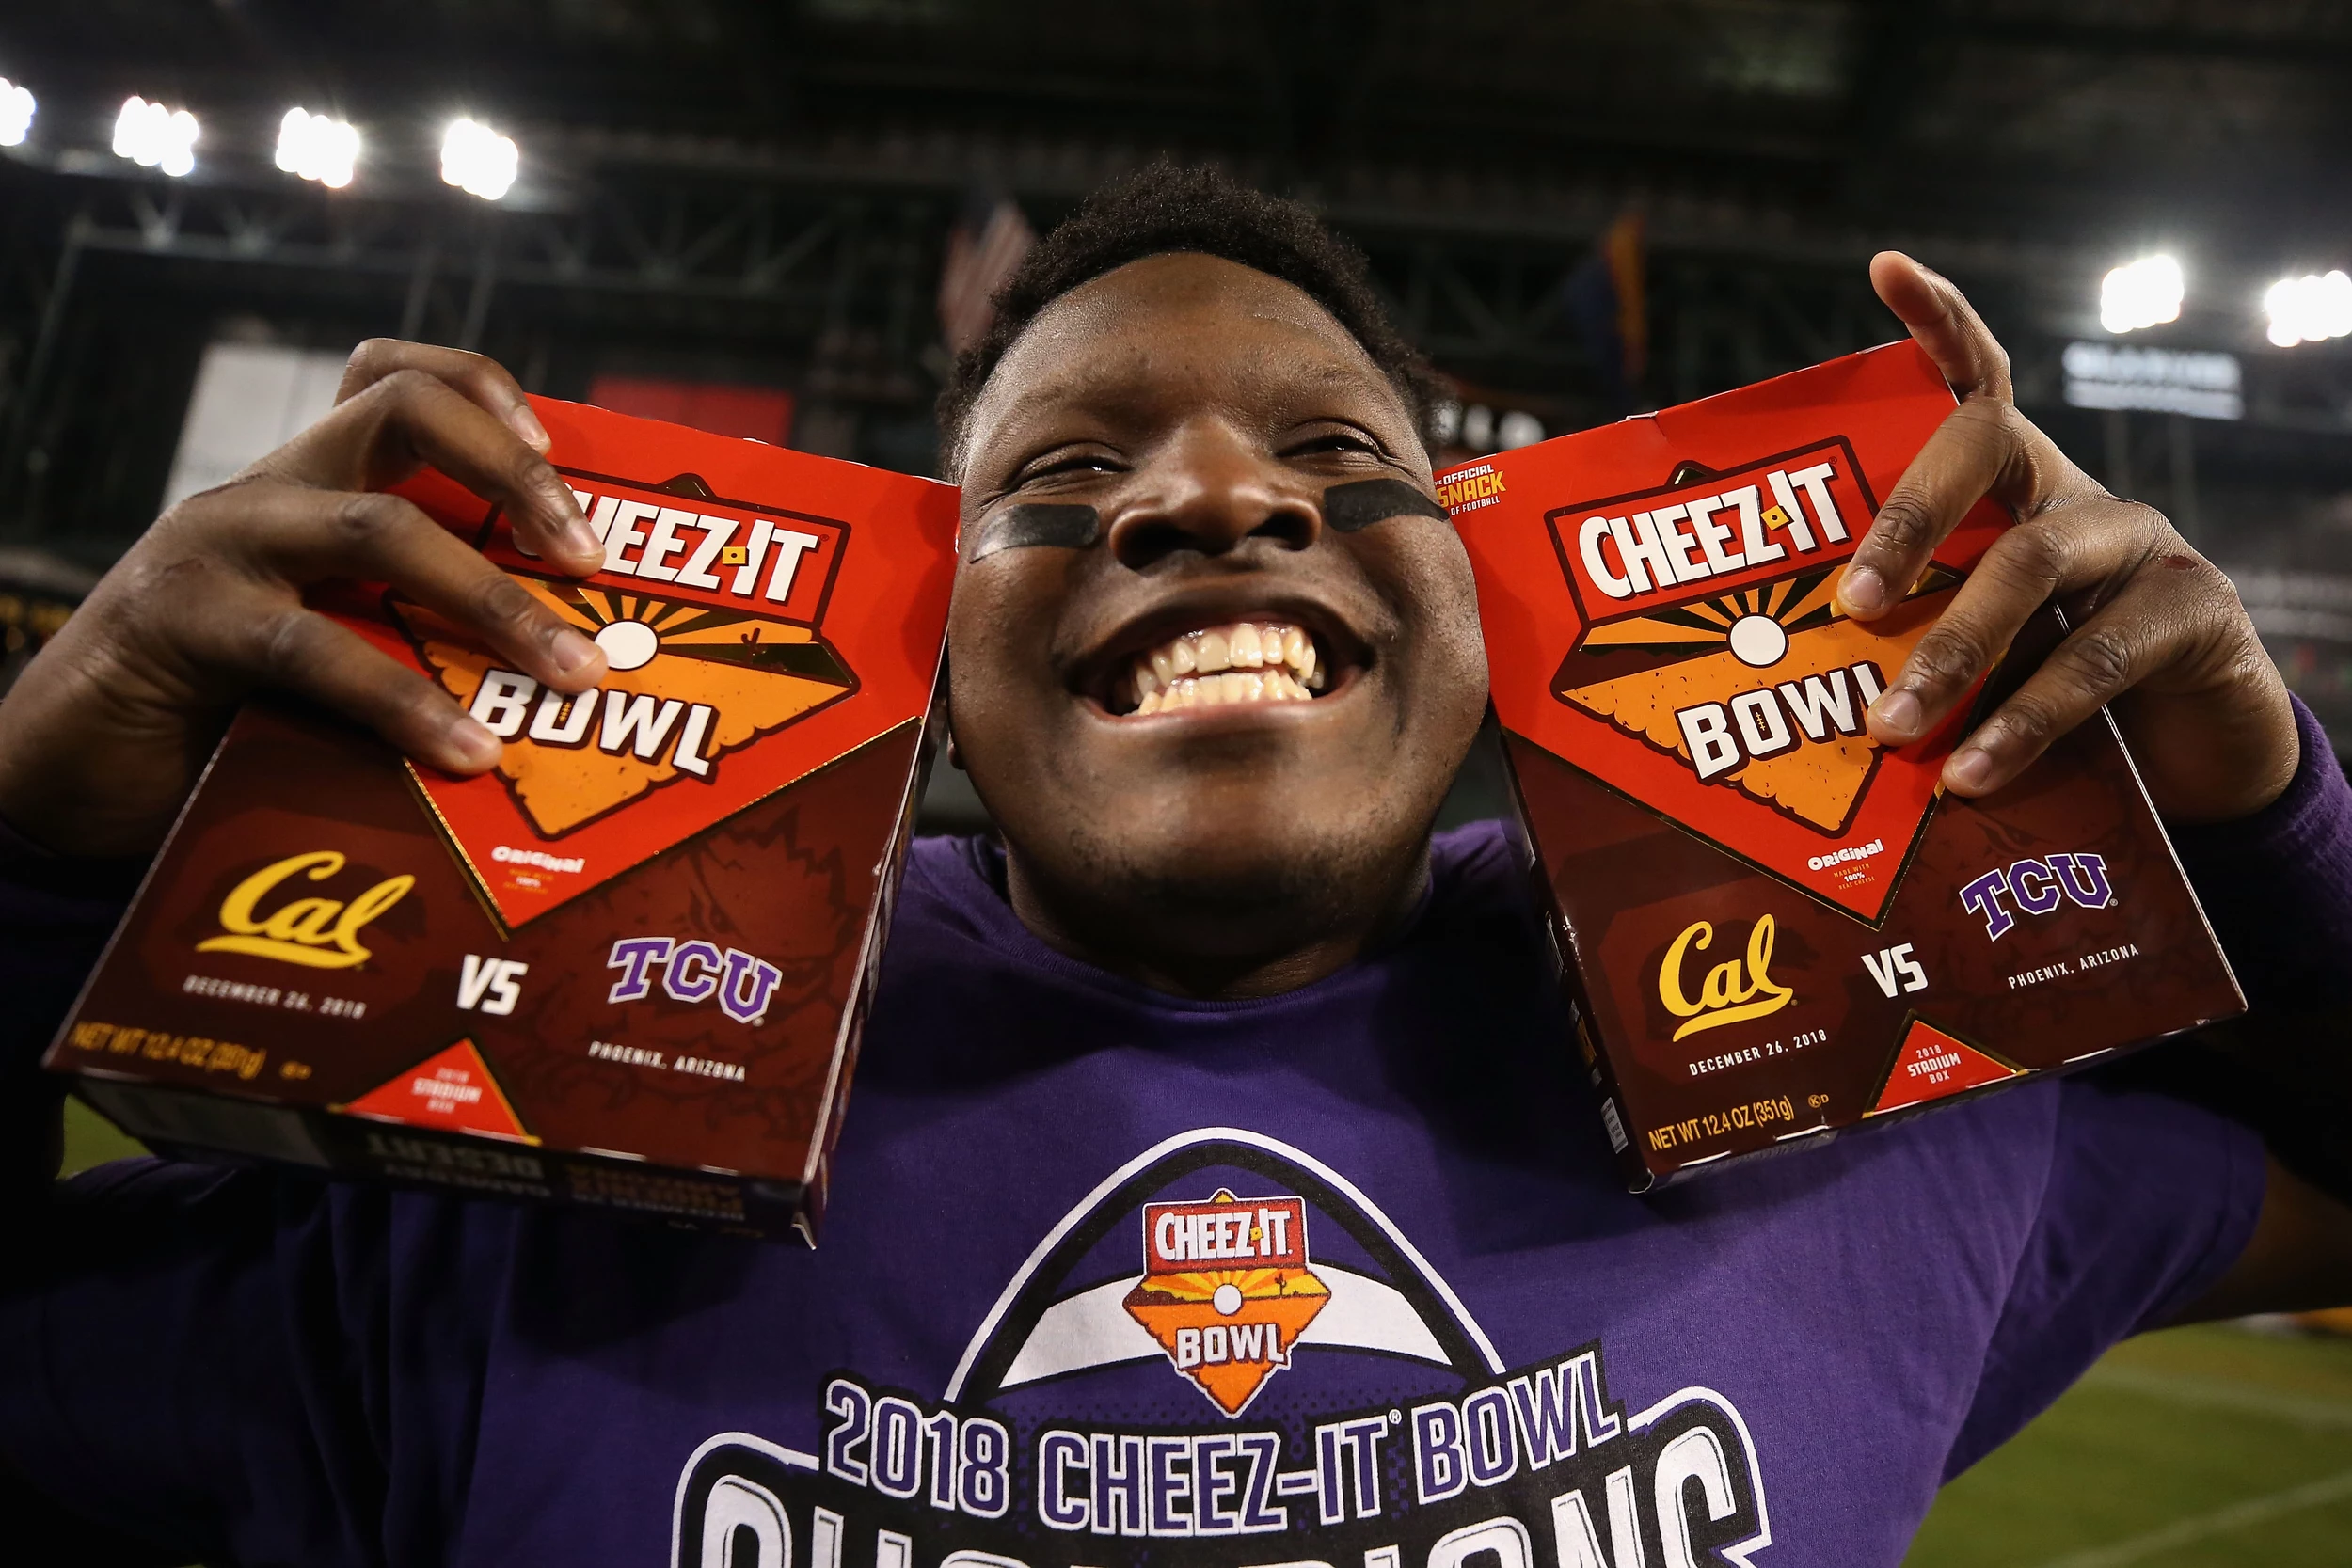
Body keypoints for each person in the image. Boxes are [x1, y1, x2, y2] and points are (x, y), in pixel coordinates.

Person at [4, 164, 2351, 1568]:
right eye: (1052, 481)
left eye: (1342, 450)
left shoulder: (1862, 1102)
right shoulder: (541, 1137)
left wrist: (2261, 814)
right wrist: (27, 845)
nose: (1211, 497)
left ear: (1491, 604)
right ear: (915, 641)